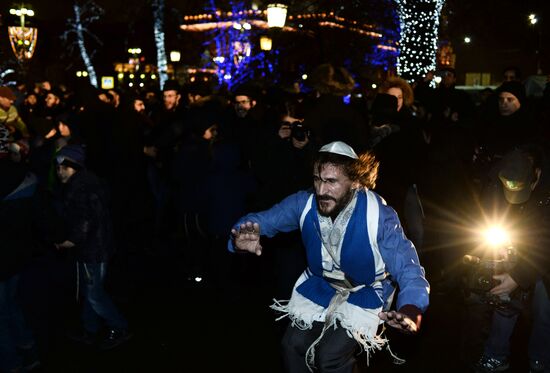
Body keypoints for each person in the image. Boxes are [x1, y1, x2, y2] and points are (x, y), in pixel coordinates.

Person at [228, 141, 429, 373]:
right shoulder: (303, 203)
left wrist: (411, 310)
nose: (321, 190)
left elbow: (409, 268)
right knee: (291, 346)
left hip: (365, 292)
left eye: (331, 181)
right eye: (317, 179)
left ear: (355, 182)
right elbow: (262, 220)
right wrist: (240, 238)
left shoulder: (378, 215)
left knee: (330, 358)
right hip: (321, 287)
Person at [472, 146, 550, 373]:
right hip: (521, 239)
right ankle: (495, 355)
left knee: (545, 307)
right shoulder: (501, 172)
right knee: (504, 298)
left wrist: (519, 275)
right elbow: (488, 209)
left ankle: (541, 361)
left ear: (536, 175)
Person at [52, 144, 131, 350]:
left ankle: (119, 327)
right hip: (96, 247)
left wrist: (69, 241)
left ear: (75, 166)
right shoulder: (87, 182)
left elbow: (85, 221)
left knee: (94, 294)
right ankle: (90, 328)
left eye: (64, 167)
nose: (60, 171)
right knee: (91, 291)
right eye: (58, 167)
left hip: (92, 250)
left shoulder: (80, 188)